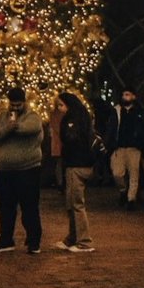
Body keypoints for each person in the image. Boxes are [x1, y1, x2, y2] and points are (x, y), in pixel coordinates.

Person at [0, 87, 43, 255]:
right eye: (12, 104)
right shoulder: (1, 117)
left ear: (24, 102)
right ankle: (5, 240)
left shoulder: (33, 117)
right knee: (6, 207)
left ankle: (34, 241)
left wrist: (11, 128)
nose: (15, 108)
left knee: (29, 207)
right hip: (3, 171)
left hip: (28, 170)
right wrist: (6, 129)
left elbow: (30, 128)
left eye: (18, 105)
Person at [54, 92, 95, 253]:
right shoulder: (83, 115)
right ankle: (72, 237)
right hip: (80, 163)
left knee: (76, 203)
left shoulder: (73, 118)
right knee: (71, 203)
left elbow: (71, 139)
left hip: (76, 164)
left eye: (61, 105)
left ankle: (83, 240)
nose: (59, 108)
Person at [104, 87, 144, 209]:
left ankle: (131, 199)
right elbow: (111, 128)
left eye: (127, 94)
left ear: (133, 96)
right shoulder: (117, 111)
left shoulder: (139, 112)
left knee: (134, 174)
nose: (125, 97)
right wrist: (109, 143)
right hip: (119, 147)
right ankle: (123, 190)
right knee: (117, 173)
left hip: (134, 147)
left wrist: (141, 140)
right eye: (124, 94)